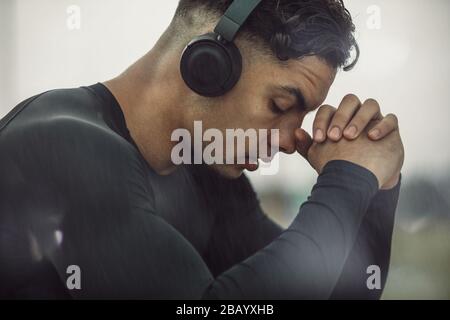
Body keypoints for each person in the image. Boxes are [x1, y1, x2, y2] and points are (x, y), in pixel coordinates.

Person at [0, 0, 404, 299]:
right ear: (208, 63)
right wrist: (345, 182)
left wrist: (375, 184)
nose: (288, 140)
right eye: (280, 105)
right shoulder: (62, 147)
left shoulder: (202, 168)